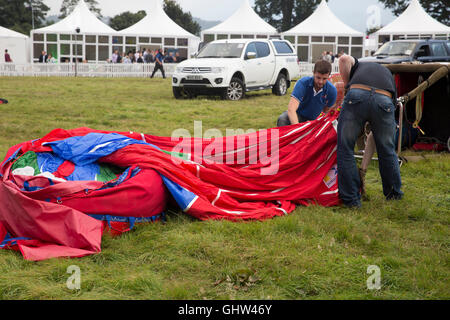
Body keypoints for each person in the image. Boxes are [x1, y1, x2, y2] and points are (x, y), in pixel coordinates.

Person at [337, 54, 403, 208]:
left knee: (345, 147)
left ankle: (352, 200)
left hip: (356, 95)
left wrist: (347, 86)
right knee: (387, 150)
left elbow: (343, 59)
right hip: (384, 99)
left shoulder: (358, 65)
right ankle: (394, 195)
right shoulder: (387, 74)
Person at [277, 60, 337, 126]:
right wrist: (297, 129)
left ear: (329, 76)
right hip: (298, 116)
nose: (320, 81)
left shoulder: (332, 91)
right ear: (313, 73)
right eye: (318, 77)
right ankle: (276, 136)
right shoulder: (303, 83)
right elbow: (291, 109)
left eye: (324, 78)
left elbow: (326, 111)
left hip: (315, 120)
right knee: (282, 119)